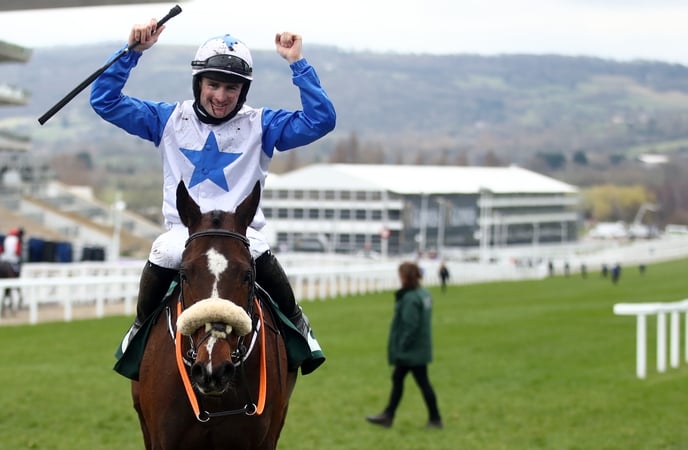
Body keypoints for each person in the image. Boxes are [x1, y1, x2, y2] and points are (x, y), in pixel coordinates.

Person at [90, 20, 336, 374]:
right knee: (162, 249)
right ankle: (141, 327)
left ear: (243, 91)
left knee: (259, 249)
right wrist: (131, 53)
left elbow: (321, 120)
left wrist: (297, 63)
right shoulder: (167, 119)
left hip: (241, 234)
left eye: (231, 88)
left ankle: (298, 326)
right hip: (185, 233)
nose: (221, 96)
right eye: (214, 85)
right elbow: (105, 101)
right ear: (199, 83)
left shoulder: (263, 124)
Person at [366, 261, 443, 430]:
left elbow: (410, 326)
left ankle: (434, 418)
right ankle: (389, 415)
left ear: (405, 276)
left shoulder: (410, 298)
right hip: (420, 348)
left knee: (418, 382)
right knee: (402, 380)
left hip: (410, 351)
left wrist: (401, 347)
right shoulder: (424, 294)